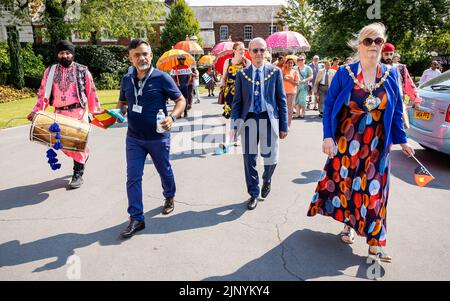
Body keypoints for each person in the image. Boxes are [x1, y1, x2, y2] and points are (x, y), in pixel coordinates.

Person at [307, 23, 415, 262]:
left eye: (378, 41)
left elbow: (396, 110)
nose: (374, 46)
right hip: (347, 141)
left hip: (377, 145)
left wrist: (403, 140)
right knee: (348, 185)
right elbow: (329, 108)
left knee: (375, 193)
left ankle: (375, 243)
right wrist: (328, 136)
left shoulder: (390, 74)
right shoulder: (345, 73)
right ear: (359, 45)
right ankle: (348, 226)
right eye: (369, 41)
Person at [117, 39, 186, 239]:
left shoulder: (162, 78)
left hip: (158, 137)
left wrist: (172, 117)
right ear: (130, 58)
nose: (142, 58)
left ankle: (169, 195)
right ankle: (136, 218)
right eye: (137, 55)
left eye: (145, 54)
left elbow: (180, 99)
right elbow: (122, 103)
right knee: (133, 177)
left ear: (151, 55)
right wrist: (117, 113)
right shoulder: (126, 79)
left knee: (164, 170)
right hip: (134, 138)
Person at [27, 40, 101, 190]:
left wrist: (94, 113)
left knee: (76, 143)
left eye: (68, 53)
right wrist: (36, 111)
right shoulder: (50, 71)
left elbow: (91, 92)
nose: (65, 55)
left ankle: (78, 174)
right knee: (61, 143)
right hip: (59, 114)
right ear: (57, 54)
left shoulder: (83, 70)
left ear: (72, 54)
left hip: (78, 112)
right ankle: (84, 154)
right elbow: (43, 94)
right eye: (61, 53)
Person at [231, 37, 288, 210]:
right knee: (249, 159)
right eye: (255, 50)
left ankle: (267, 178)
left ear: (266, 52)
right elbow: (237, 102)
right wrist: (234, 124)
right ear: (249, 52)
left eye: (262, 50)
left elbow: (281, 99)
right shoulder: (242, 74)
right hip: (248, 119)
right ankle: (253, 193)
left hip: (268, 118)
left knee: (270, 158)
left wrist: (284, 125)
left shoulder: (275, 72)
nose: (259, 54)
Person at [218, 41, 251, 153]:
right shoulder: (228, 61)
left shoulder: (247, 63)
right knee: (229, 117)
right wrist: (221, 82)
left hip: (242, 94)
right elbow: (224, 76)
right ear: (234, 51)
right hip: (229, 93)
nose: (243, 51)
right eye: (240, 49)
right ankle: (227, 141)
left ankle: (236, 137)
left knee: (240, 116)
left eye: (244, 49)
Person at [381, 42, 421, 129]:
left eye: (391, 54)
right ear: (381, 54)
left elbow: (410, 84)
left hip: (398, 100)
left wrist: (416, 99)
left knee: (403, 126)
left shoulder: (401, 68)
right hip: (382, 102)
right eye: (386, 54)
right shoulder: (378, 68)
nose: (388, 56)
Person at [282, 57, 299, 127]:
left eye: (291, 63)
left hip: (291, 92)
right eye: (288, 63)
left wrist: (289, 80)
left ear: (293, 64)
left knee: (290, 109)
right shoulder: (282, 71)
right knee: (283, 108)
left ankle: (288, 125)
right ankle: (283, 123)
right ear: (286, 64)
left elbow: (297, 83)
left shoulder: (295, 72)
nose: (290, 64)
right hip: (283, 92)